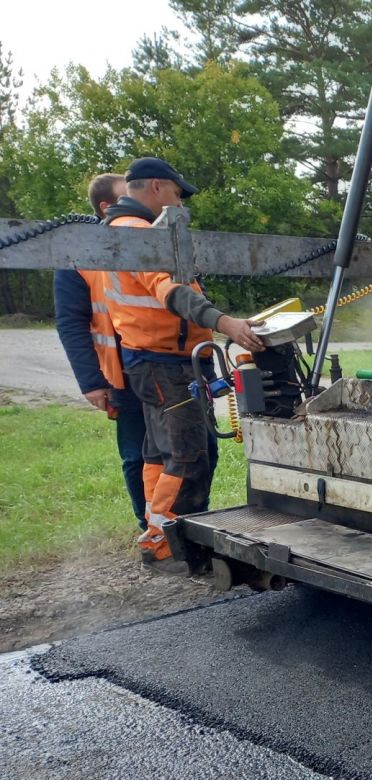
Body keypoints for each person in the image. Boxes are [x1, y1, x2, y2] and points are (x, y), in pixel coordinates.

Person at [103, 157, 265, 571]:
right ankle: (174, 546)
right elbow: (171, 292)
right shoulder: (140, 235)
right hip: (165, 364)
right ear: (156, 187)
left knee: (160, 453)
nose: (178, 202)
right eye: (176, 193)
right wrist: (224, 322)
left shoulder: (122, 232)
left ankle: (158, 537)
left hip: (154, 361)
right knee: (187, 454)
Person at [54, 173, 147, 531]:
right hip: (120, 374)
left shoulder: (143, 241)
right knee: (137, 453)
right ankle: (150, 528)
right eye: (127, 198)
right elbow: (71, 323)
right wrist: (92, 382)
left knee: (189, 448)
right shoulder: (77, 256)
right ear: (106, 207)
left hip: (163, 366)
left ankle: (185, 520)